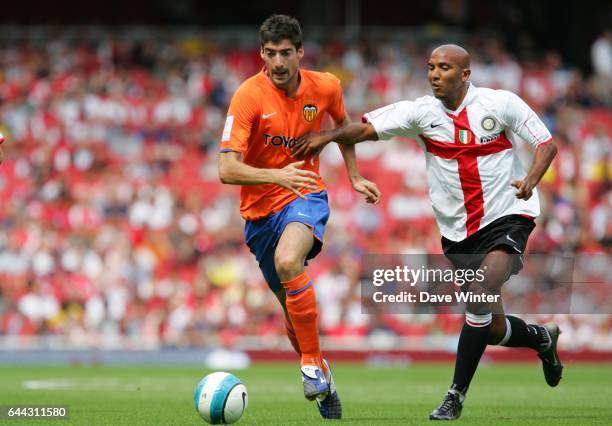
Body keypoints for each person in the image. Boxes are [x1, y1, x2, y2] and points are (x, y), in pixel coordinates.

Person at [292, 44, 563, 421]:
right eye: (431, 67)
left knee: (480, 294)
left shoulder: (500, 104)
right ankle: (542, 340)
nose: (435, 74)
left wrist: (530, 181)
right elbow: (366, 128)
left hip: (508, 215)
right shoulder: (421, 112)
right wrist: (328, 136)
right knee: (492, 326)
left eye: (445, 68)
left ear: (465, 74)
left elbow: (546, 144)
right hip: (458, 235)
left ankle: (455, 396)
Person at [217, 14, 380, 419]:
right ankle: (321, 372)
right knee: (290, 308)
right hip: (259, 213)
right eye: (270, 53)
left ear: (300, 52)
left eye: (285, 53)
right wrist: (275, 174)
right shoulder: (247, 96)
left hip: (305, 192)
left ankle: (308, 366)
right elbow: (226, 169)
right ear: (261, 54)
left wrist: (354, 176)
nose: (277, 62)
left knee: (289, 261)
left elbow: (344, 128)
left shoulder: (325, 86)